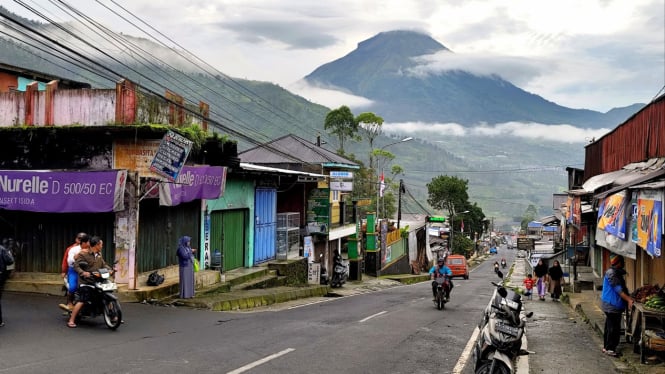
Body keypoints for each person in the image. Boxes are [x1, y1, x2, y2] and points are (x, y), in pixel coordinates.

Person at [67, 235, 113, 328]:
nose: (102, 246)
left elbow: (104, 265)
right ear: (96, 245)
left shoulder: (99, 255)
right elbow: (76, 265)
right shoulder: (83, 254)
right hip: (86, 281)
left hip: (98, 280)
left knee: (108, 295)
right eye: (101, 244)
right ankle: (71, 320)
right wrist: (83, 272)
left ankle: (113, 316)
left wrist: (111, 270)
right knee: (83, 299)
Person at [600, 254, 633, 357]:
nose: (623, 264)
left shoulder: (614, 272)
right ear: (618, 263)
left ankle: (606, 347)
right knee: (613, 328)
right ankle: (610, 348)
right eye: (622, 262)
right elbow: (618, 290)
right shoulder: (612, 274)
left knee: (609, 326)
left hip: (611, 304)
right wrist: (628, 300)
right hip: (612, 305)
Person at [59, 233, 85, 312]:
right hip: (73, 270)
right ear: (76, 239)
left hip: (85, 270)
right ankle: (69, 304)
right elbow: (66, 260)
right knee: (72, 287)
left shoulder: (89, 248)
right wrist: (64, 271)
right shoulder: (71, 249)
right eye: (79, 238)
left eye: (83, 239)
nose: (80, 240)